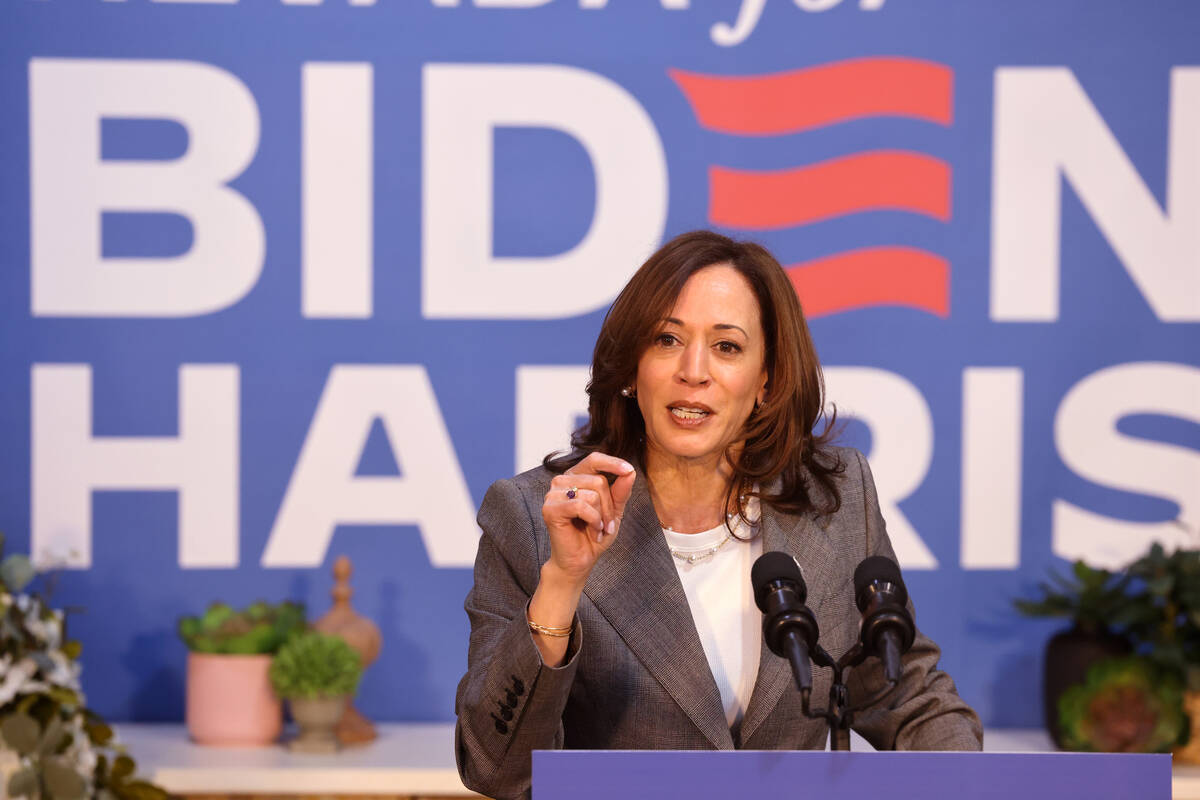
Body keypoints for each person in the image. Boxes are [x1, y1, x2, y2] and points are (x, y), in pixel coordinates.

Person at [454, 231, 982, 800]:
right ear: (632, 370)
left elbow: (901, 693)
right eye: (666, 340)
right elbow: (498, 770)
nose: (694, 370)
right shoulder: (534, 520)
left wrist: (975, 786)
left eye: (726, 347)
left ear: (766, 380)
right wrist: (562, 582)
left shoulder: (835, 498)